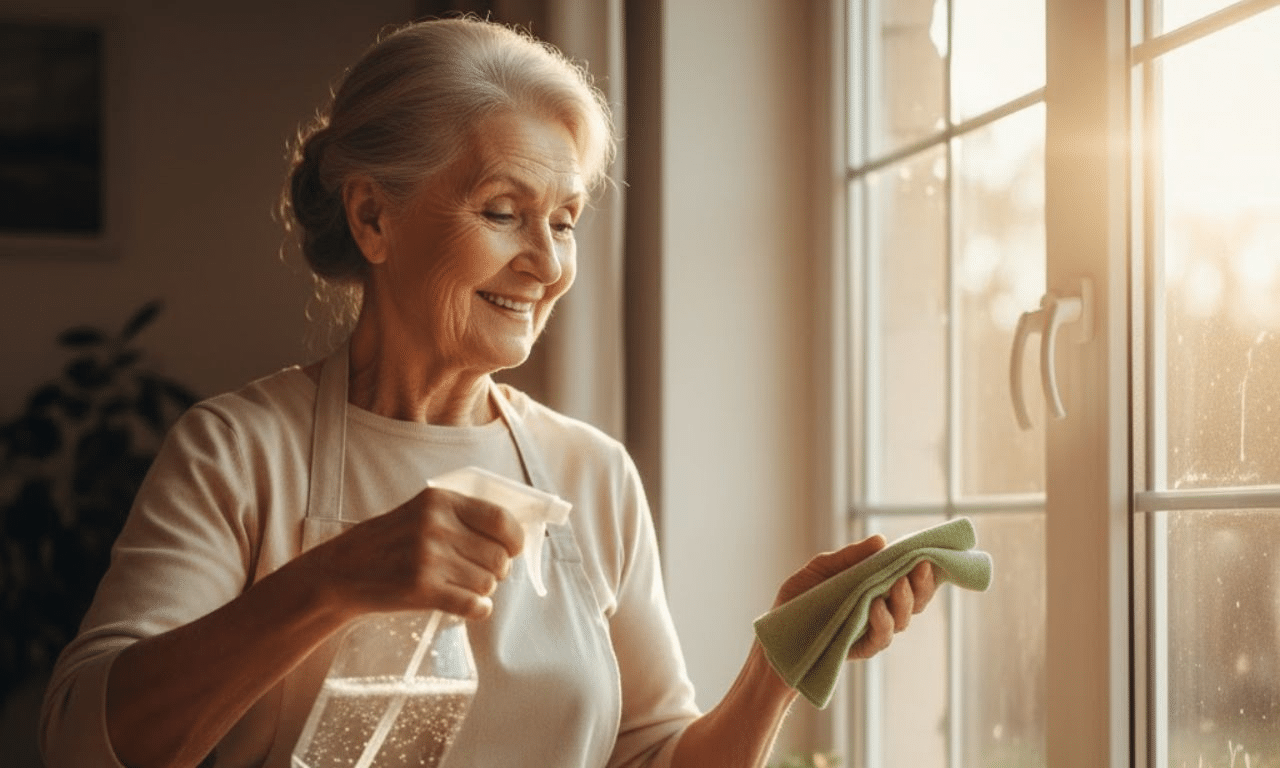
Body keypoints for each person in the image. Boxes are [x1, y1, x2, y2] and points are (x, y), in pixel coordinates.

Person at [39, 16, 937, 768]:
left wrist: (778, 662)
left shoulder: (593, 474)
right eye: (503, 212)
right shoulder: (236, 452)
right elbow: (84, 742)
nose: (546, 265)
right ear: (373, 217)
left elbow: (654, 754)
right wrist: (335, 581)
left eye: (565, 221)